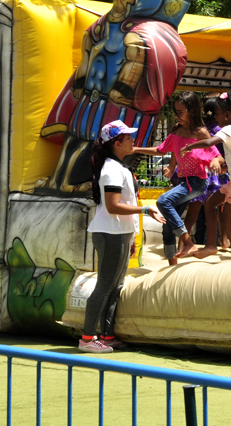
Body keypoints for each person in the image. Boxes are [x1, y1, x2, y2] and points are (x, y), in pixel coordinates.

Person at [79, 120, 165, 353]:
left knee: (115, 286)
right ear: (117, 143)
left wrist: (131, 237)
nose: (132, 140)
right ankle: (87, 339)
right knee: (104, 286)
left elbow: (122, 204)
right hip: (110, 234)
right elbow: (114, 206)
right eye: (128, 137)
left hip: (119, 234)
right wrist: (146, 210)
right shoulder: (111, 169)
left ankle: (106, 336)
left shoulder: (118, 166)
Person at [132, 91, 218, 265]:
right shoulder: (177, 131)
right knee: (167, 225)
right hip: (182, 181)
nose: (177, 115)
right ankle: (172, 264)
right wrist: (135, 149)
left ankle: (188, 243)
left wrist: (216, 160)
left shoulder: (200, 132)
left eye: (181, 111)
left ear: (192, 111)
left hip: (197, 182)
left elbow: (216, 154)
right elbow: (161, 150)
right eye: (175, 111)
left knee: (163, 201)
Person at [183, 93, 231, 259]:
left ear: (227, 115)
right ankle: (211, 245)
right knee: (210, 204)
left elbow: (209, 142)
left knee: (226, 221)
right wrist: (223, 168)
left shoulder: (229, 129)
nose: (215, 117)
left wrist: (189, 146)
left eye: (216, 114)